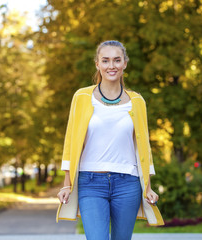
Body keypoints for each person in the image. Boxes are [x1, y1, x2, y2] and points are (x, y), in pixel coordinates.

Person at [56, 40, 164, 239]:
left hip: (127, 183)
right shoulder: (81, 97)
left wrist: (147, 186)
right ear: (97, 64)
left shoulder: (137, 102)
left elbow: (143, 147)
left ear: (124, 64)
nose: (111, 66)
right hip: (90, 182)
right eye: (105, 61)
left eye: (117, 60)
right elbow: (71, 142)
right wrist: (67, 184)